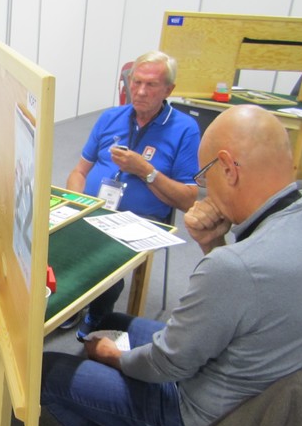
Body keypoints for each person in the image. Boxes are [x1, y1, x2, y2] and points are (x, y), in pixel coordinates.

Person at [42, 104, 302, 426]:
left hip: (206, 420)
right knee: (118, 323)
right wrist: (212, 242)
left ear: (228, 168)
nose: (204, 188)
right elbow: (245, 304)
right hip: (264, 389)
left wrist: (113, 357)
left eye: (205, 175)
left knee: (48, 372)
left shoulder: (234, 268)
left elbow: (166, 364)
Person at [61, 51, 200, 340]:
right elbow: (79, 172)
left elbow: (188, 199)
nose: (140, 91)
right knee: (54, 236)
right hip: (95, 208)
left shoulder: (185, 129)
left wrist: (146, 171)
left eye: (151, 85)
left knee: (104, 253)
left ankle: (99, 314)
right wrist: (77, 203)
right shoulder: (110, 117)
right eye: (136, 82)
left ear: (168, 90)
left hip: (142, 218)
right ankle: (70, 302)